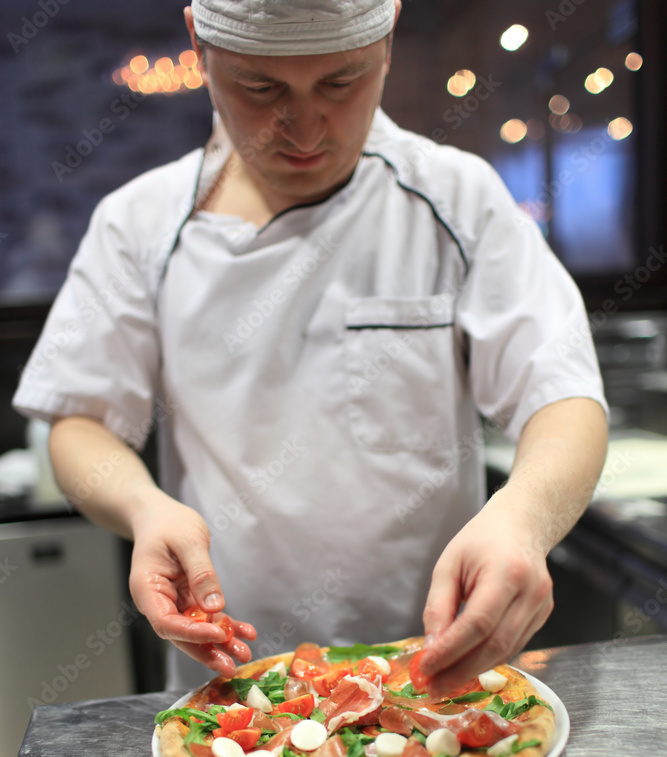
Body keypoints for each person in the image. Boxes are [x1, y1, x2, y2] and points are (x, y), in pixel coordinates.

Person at [13, 0, 608, 696]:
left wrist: (523, 520)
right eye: (260, 89)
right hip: (239, 683)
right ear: (198, 46)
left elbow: (563, 395)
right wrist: (144, 508)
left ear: (385, 43)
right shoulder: (140, 223)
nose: (303, 126)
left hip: (437, 673)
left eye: (339, 82)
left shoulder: (455, 196)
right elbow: (78, 421)